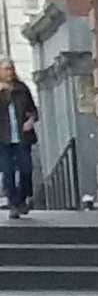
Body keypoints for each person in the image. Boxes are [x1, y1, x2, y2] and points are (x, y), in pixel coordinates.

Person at [0, 61, 37, 215]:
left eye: (12, 69)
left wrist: (30, 121)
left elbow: (33, 110)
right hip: (3, 138)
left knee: (26, 169)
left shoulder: (22, 89)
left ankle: (22, 198)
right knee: (8, 172)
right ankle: (13, 204)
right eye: (7, 69)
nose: (10, 72)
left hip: (22, 137)